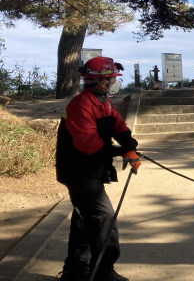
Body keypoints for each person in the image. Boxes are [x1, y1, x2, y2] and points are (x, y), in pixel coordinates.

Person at [56, 56, 141, 281]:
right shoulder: (81, 105)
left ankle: (75, 271)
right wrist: (121, 152)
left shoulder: (103, 102)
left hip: (91, 168)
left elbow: (118, 125)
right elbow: (89, 144)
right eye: (111, 79)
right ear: (102, 81)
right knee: (103, 217)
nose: (113, 82)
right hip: (78, 171)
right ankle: (103, 272)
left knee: (85, 219)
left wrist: (130, 146)